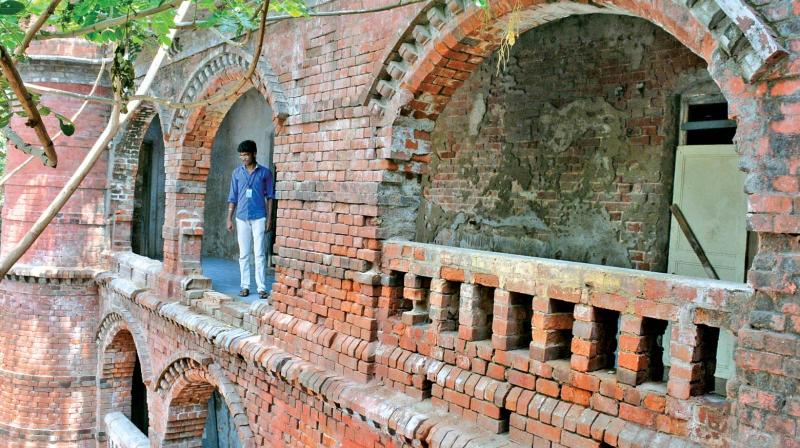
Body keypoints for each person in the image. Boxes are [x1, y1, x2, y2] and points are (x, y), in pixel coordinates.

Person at [226, 140, 274, 299]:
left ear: (254, 153)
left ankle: (261, 288)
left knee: (259, 253)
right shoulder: (236, 173)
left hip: (259, 216)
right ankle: (245, 286)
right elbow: (232, 197)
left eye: (246, 154)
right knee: (244, 254)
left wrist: (269, 218)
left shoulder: (265, 173)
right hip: (241, 217)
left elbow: (270, 197)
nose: (243, 158)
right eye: (241, 155)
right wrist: (229, 218)